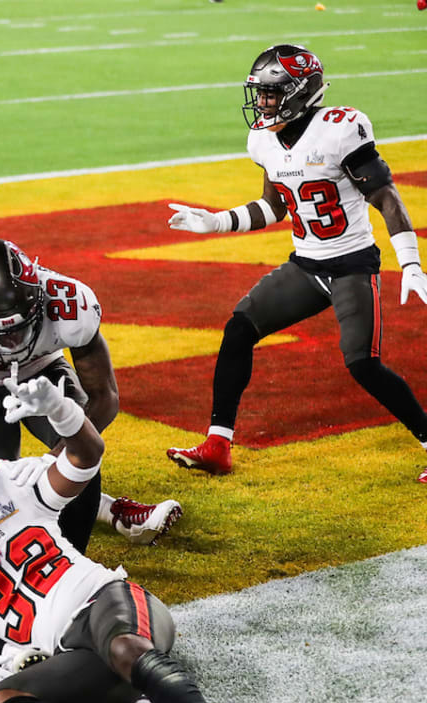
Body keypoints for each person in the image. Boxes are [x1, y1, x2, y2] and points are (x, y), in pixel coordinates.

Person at [0, 375, 218, 703]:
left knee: (124, 648)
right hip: (67, 651)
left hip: (106, 603)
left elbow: (86, 456)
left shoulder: (7, 482)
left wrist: (62, 412)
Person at [165, 44, 427, 483]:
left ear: (299, 92)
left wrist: (411, 264)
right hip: (306, 266)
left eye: (271, 93)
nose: (262, 103)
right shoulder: (264, 139)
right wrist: (215, 222)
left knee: (362, 363)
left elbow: (386, 197)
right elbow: (273, 207)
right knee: (239, 329)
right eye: (260, 94)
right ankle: (218, 444)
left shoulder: (339, 130)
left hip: (350, 265)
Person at [0, 239, 181, 550]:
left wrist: (56, 458)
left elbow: (105, 398)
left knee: (80, 459)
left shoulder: (69, 303)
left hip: (43, 370)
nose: (13, 340)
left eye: (21, 326)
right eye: (1, 332)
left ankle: (74, 554)